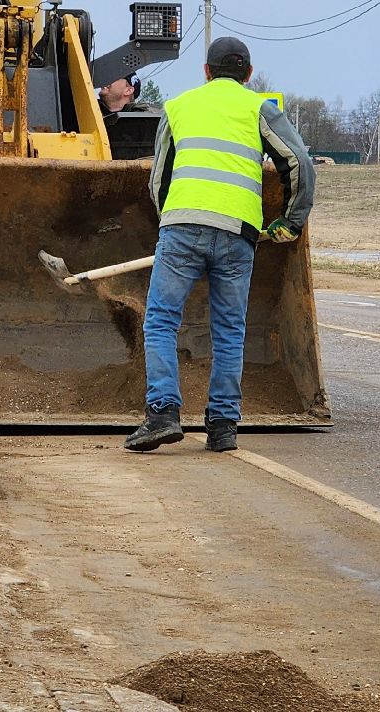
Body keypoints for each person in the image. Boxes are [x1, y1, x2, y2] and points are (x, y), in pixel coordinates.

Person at [125, 36, 314, 454]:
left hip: (182, 229)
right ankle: (224, 426)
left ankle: (162, 413)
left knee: (160, 321)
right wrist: (290, 223)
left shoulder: (178, 107)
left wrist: (171, 220)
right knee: (229, 331)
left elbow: (159, 181)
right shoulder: (259, 109)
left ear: (206, 72)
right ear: (248, 75)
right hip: (238, 234)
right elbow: (299, 162)